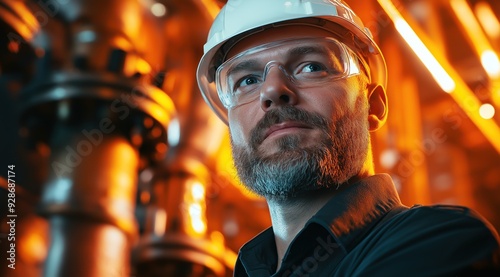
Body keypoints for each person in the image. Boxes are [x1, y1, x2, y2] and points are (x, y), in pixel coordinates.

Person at [196, 0, 500, 276]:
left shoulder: (441, 243)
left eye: (311, 67)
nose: (272, 91)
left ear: (374, 106)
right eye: (247, 80)